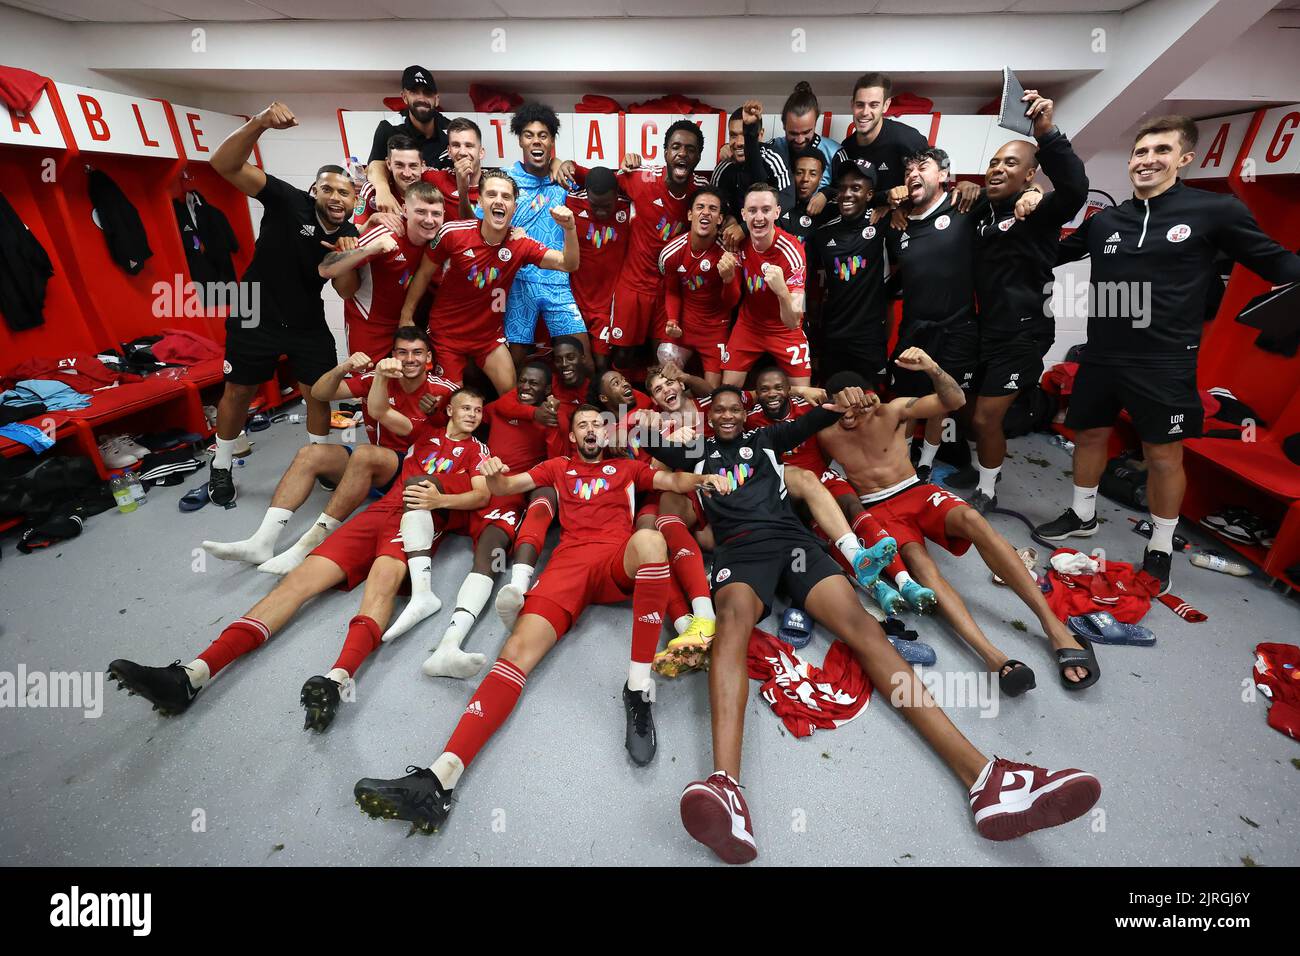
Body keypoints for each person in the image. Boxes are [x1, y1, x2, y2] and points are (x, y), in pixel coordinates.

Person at [649, 382, 1100, 863]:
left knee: (866, 633)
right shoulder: (693, 453)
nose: (727, 415)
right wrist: (634, 420)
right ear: (707, 417)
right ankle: (727, 788)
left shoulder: (766, 440)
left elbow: (815, 417)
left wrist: (841, 401)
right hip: (741, 552)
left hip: (796, 546)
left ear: (747, 412)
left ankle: (985, 778)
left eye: (735, 408)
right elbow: (642, 443)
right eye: (717, 410)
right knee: (732, 630)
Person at [352, 406, 737, 832]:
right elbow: (508, 485)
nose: (592, 429)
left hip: (615, 559)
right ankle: (440, 779)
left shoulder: (626, 467)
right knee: (514, 650)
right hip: (567, 565)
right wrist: (494, 473)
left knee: (648, 539)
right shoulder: (557, 467)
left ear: (606, 432)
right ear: (573, 437)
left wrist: (702, 478)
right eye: (583, 425)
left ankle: (637, 688)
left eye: (598, 423)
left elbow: (673, 481)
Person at [105, 388, 491, 729]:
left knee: (381, 586)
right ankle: (192, 675)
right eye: (466, 407)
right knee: (296, 584)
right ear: (451, 411)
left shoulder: (480, 452)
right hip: (376, 515)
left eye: (478, 410)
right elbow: (378, 407)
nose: (472, 414)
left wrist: (441, 500)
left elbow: (481, 496)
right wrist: (377, 376)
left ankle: (337, 680)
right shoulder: (425, 434)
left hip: (416, 521)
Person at [1034, 115, 1300, 593]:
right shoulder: (1107, 221)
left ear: (1184, 158)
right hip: (1102, 353)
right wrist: (1016, 223)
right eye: (1140, 152)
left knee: (1162, 455)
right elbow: (1047, 254)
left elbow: (1277, 261)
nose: (1147, 160)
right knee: (1090, 434)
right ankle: (1083, 514)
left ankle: (1159, 545)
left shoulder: (1215, 210)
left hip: (1165, 360)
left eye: (1161, 151)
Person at [819, 359, 1083, 696]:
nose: (850, 418)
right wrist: (832, 399)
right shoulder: (826, 429)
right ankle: (993, 657)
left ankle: (1053, 625)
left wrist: (932, 368)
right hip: (878, 509)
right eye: (842, 411)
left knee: (974, 519)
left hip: (915, 490)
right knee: (920, 564)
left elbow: (954, 401)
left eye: (856, 407)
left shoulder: (894, 410)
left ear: (869, 397)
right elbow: (783, 396)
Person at [202, 328, 455, 574]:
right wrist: (344, 368)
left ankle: (306, 545)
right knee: (310, 454)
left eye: (417, 352)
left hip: (410, 473)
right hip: (373, 467)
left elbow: (467, 430)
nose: (410, 359)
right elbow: (320, 393)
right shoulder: (376, 379)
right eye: (402, 352)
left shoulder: (443, 390)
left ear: (429, 357)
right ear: (392, 356)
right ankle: (262, 542)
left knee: (365, 454)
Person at [208, 101, 359, 508]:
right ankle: (221, 464)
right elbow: (223, 163)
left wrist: (348, 255)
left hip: (306, 318)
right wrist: (258, 123)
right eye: (327, 187)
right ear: (315, 190)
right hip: (254, 309)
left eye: (344, 191)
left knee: (318, 393)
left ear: (354, 199)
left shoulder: (350, 233)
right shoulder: (286, 200)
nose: (334, 196)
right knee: (239, 391)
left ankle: (321, 459)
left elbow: (346, 291)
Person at [965, 88, 1087, 513]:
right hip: (981, 330)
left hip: (1020, 338)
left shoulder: (1038, 214)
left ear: (1031, 176)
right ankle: (979, 469)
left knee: (986, 419)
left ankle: (987, 489)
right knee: (969, 413)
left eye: (1011, 163)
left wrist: (1047, 133)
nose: (998, 169)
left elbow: (1074, 190)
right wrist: (964, 185)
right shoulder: (985, 211)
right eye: (995, 162)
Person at [746, 366, 935, 615]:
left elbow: (845, 397)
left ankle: (905, 582)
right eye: (764, 389)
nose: (772, 394)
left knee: (852, 506)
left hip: (820, 474)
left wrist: (870, 398)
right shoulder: (750, 418)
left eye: (779, 388)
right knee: (824, 533)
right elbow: (726, 397)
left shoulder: (809, 404)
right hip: (786, 485)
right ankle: (878, 588)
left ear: (789, 390)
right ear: (757, 393)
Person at [398, 170, 578, 395]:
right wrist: (406, 316)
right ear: (481, 202)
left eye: (506, 196)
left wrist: (569, 229)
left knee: (512, 396)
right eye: (491, 194)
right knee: (446, 401)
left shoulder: (520, 243)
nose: (499, 201)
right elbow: (424, 274)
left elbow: (568, 264)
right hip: (447, 336)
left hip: (488, 338)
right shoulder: (453, 234)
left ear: (514, 205)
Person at [563, 122, 710, 370]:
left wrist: (731, 223)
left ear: (698, 156)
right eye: (675, 147)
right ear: (665, 153)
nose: (682, 153)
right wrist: (569, 166)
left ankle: (656, 405)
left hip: (669, 289)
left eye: (690, 149)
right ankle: (624, 406)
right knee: (622, 357)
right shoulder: (641, 178)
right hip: (633, 286)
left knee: (665, 358)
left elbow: (720, 214)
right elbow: (601, 180)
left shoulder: (702, 195)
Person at [885, 147, 982, 481]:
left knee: (942, 401)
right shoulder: (899, 224)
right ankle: (905, 461)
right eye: (908, 169)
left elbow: (1013, 195)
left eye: (922, 167)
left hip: (956, 327)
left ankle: (926, 462)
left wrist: (975, 186)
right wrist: (890, 206)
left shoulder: (962, 207)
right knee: (910, 400)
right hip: (914, 327)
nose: (913, 173)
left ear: (942, 175)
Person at [492, 103, 591, 364]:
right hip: (518, 282)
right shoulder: (505, 181)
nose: (536, 141)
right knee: (514, 362)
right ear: (520, 141)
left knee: (583, 357)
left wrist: (562, 162)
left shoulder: (563, 179)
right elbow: (482, 225)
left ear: (551, 141)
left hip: (557, 280)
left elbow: (600, 184)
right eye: (529, 135)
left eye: (543, 135)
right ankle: (512, 406)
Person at [324, 181, 445, 360]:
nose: (429, 220)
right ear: (405, 211)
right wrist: (371, 248)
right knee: (366, 382)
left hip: (408, 323)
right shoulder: (386, 234)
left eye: (435, 214)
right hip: (369, 325)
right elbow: (329, 267)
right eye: (420, 212)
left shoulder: (438, 240)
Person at [804, 162, 889, 387]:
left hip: (868, 335)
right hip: (834, 333)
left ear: (870, 194)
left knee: (871, 404)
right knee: (834, 401)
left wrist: (889, 204)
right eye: (842, 188)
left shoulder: (883, 222)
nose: (847, 194)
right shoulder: (823, 233)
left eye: (856, 188)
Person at [722, 183, 812, 387]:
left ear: (777, 212)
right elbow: (731, 301)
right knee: (726, 394)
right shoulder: (738, 243)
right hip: (749, 326)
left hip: (784, 331)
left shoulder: (793, 251)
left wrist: (781, 291)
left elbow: (794, 321)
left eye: (766, 210)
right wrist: (728, 280)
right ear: (743, 214)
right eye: (752, 211)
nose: (759, 218)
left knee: (802, 397)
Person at [657, 187, 740, 387]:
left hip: (715, 331)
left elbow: (731, 303)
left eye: (712, 209)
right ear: (690, 214)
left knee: (714, 392)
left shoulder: (728, 253)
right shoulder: (671, 252)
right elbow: (672, 291)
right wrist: (673, 320)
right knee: (665, 372)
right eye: (700, 207)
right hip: (684, 328)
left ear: (719, 219)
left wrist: (729, 279)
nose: (705, 212)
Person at [566, 167, 631, 371]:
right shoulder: (571, 202)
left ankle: (613, 403)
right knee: (579, 364)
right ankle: (584, 403)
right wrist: (565, 164)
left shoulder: (628, 206)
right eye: (595, 205)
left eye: (607, 206)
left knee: (603, 364)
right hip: (575, 300)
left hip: (607, 305)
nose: (601, 211)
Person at [829, 73, 929, 203]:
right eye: (860, 105)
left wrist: (962, 185)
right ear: (852, 105)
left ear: (886, 105)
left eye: (873, 105)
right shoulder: (848, 147)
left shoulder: (907, 139)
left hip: (902, 218)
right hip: (866, 218)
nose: (865, 112)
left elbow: (936, 176)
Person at [364, 65, 449, 214]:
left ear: (436, 99)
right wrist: (383, 190)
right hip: (400, 208)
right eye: (415, 92)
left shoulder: (450, 131)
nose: (422, 98)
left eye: (427, 93)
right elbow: (375, 165)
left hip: (438, 209)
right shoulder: (389, 127)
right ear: (404, 96)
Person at [712, 100, 794, 246]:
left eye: (744, 135)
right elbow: (714, 204)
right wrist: (727, 216)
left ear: (760, 135)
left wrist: (745, 228)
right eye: (733, 135)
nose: (739, 142)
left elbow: (788, 198)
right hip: (735, 242)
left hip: (768, 239)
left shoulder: (772, 157)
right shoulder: (724, 166)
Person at [767, 81, 840, 192]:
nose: (800, 140)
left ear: (815, 123)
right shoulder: (771, 148)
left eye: (806, 132)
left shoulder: (834, 153)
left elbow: (848, 193)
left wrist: (827, 194)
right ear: (783, 125)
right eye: (793, 133)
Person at [354, 134, 425, 229]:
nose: (407, 174)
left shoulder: (433, 186)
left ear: (422, 165)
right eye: (399, 165)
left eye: (413, 166)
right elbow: (356, 234)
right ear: (388, 164)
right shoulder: (371, 190)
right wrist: (372, 221)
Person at [421, 116, 484, 214]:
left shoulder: (495, 185)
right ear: (449, 151)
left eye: (469, 146)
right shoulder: (435, 179)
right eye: (456, 145)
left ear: (481, 152)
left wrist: (462, 189)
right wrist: (387, 193)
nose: (462, 152)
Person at [776, 147, 832, 245]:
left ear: (821, 178)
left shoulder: (829, 207)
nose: (805, 179)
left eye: (813, 174)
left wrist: (827, 193)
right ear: (792, 174)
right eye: (799, 173)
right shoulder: (778, 204)